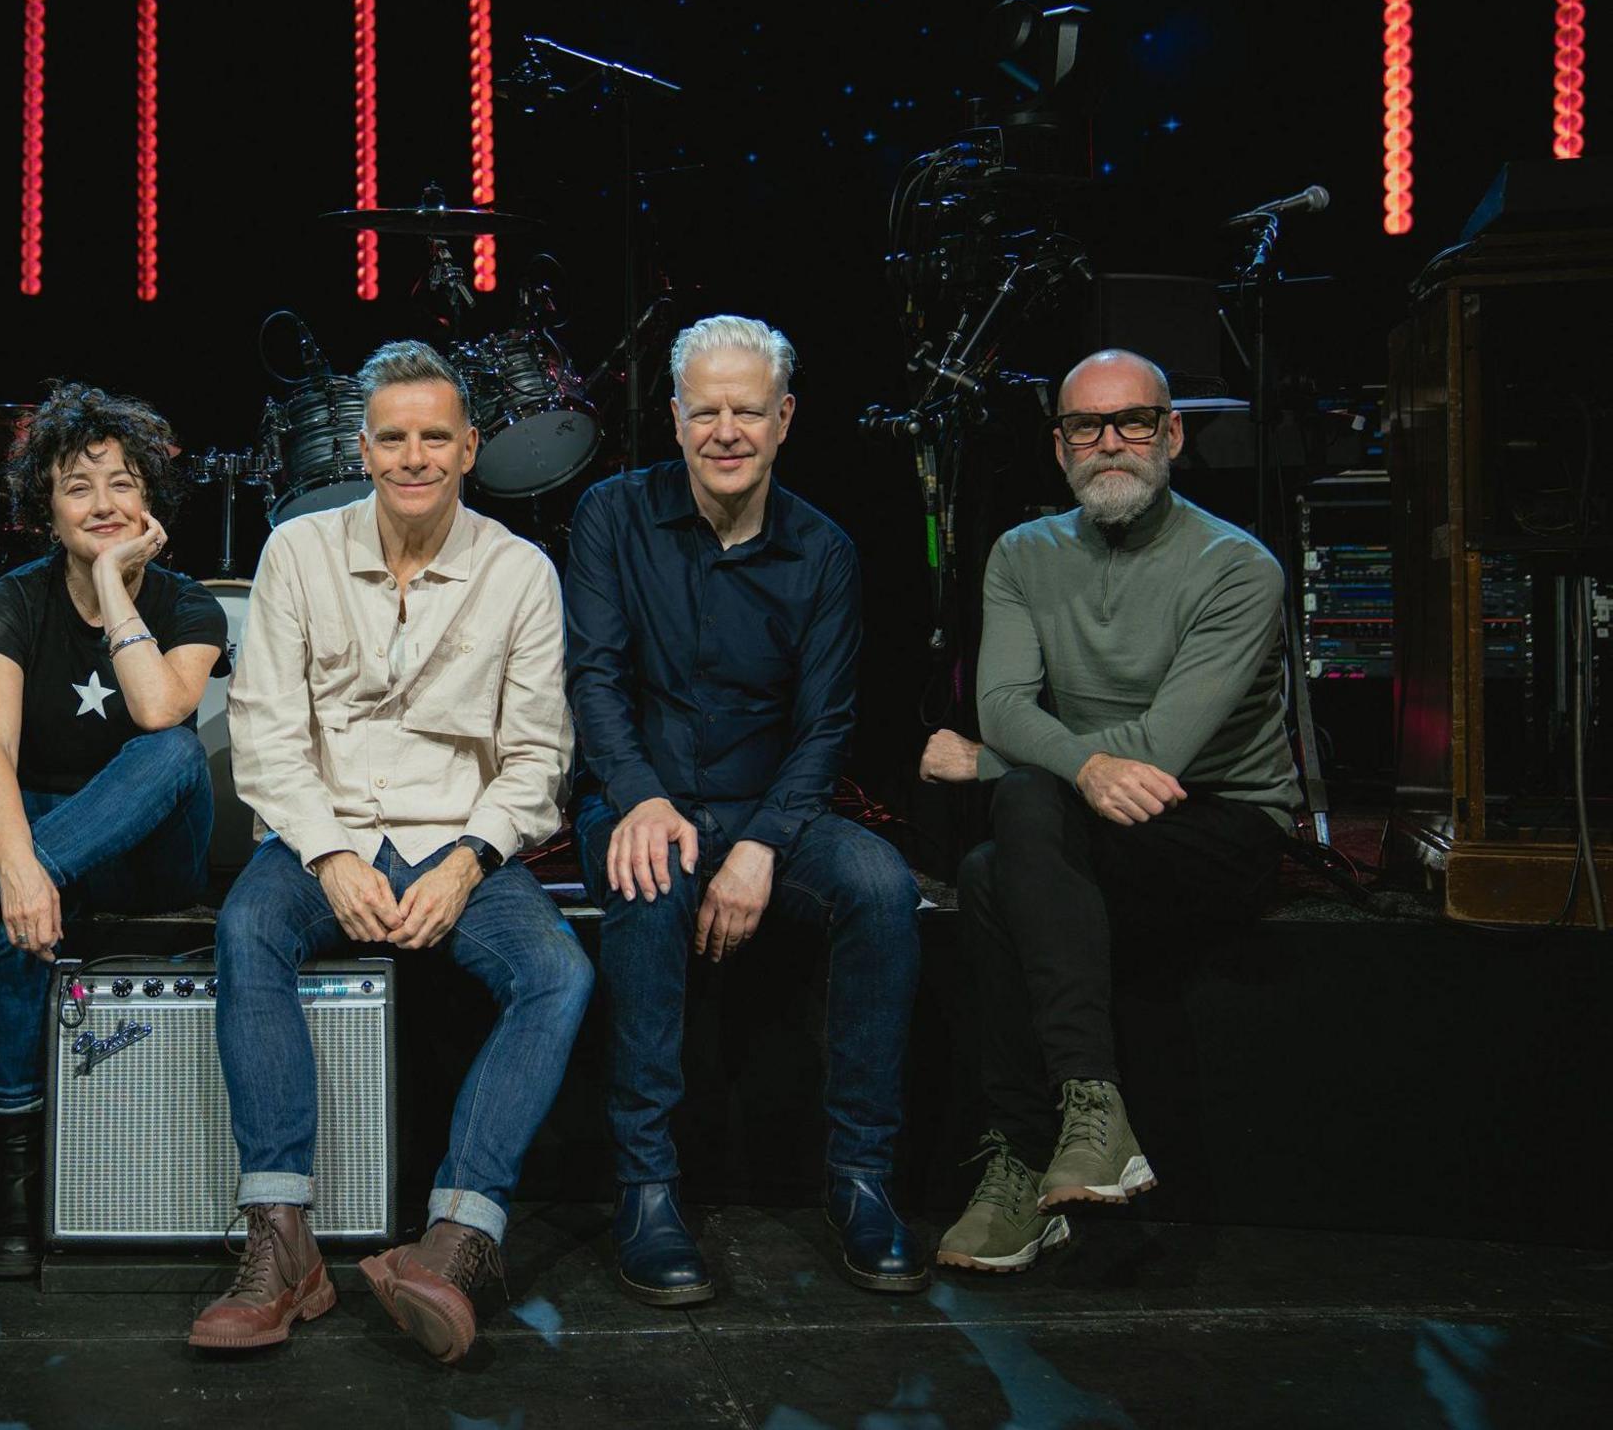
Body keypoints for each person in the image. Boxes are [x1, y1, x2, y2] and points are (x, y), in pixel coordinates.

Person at [187, 341, 590, 1365]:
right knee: (247, 925)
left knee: (557, 971)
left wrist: (465, 861)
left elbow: (538, 756)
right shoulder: (298, 551)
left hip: (459, 839)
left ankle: (456, 1239)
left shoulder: (520, 571)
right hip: (329, 834)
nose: (413, 457)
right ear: (362, 449)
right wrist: (327, 856)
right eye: (393, 438)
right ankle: (283, 1244)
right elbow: (267, 733)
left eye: (434, 438)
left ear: (468, 448)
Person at [564, 314, 928, 1301]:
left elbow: (825, 725)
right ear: (676, 417)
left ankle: (861, 1179)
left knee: (881, 886)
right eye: (707, 410)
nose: (726, 430)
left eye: (748, 412)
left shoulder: (826, 550)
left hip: (772, 807)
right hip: (639, 795)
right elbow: (592, 681)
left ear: (784, 419)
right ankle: (647, 1188)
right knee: (648, 878)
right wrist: (637, 796)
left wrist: (763, 843)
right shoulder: (609, 515)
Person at [919, 348, 1295, 1273]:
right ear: (1059, 447)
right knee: (1009, 837)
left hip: (1218, 821)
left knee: (1000, 850)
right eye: (1086, 426)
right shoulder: (1022, 553)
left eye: (1132, 421)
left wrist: (1004, 761)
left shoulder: (1240, 568)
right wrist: (1058, 764)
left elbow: (1163, 752)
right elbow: (1003, 701)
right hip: (1076, 816)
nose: (1110, 442)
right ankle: (1088, 1112)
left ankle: (1024, 1150)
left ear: (1171, 433)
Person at [0, 381, 225, 1278]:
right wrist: (19, 873)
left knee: (174, 753)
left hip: (157, 850)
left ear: (151, 501)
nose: (102, 504)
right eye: (77, 486)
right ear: (43, 506)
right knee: (15, 912)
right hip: (51, 837)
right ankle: (18, 1183)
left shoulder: (189, 605)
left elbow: (156, 712)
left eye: (121, 483)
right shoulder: (11, 600)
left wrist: (111, 582)